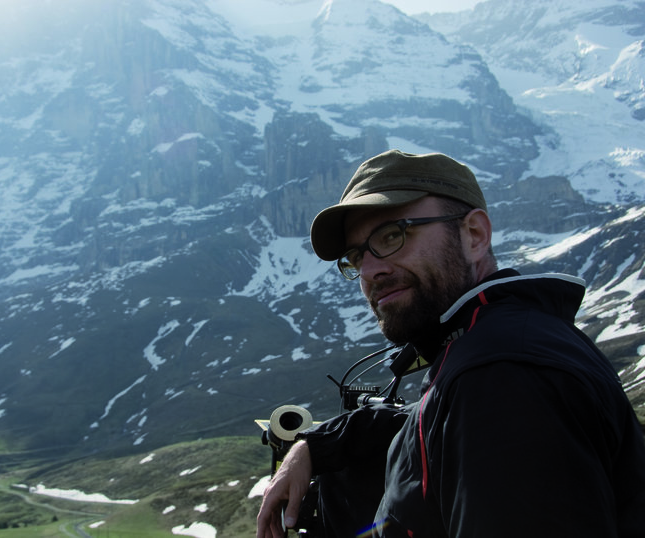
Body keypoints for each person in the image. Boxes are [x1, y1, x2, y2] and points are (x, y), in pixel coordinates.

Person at [256, 150, 645, 538]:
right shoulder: (487, 347)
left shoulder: (502, 375)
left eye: (392, 235)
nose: (371, 270)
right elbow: (435, 420)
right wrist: (317, 447)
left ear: (474, 235)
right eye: (356, 257)